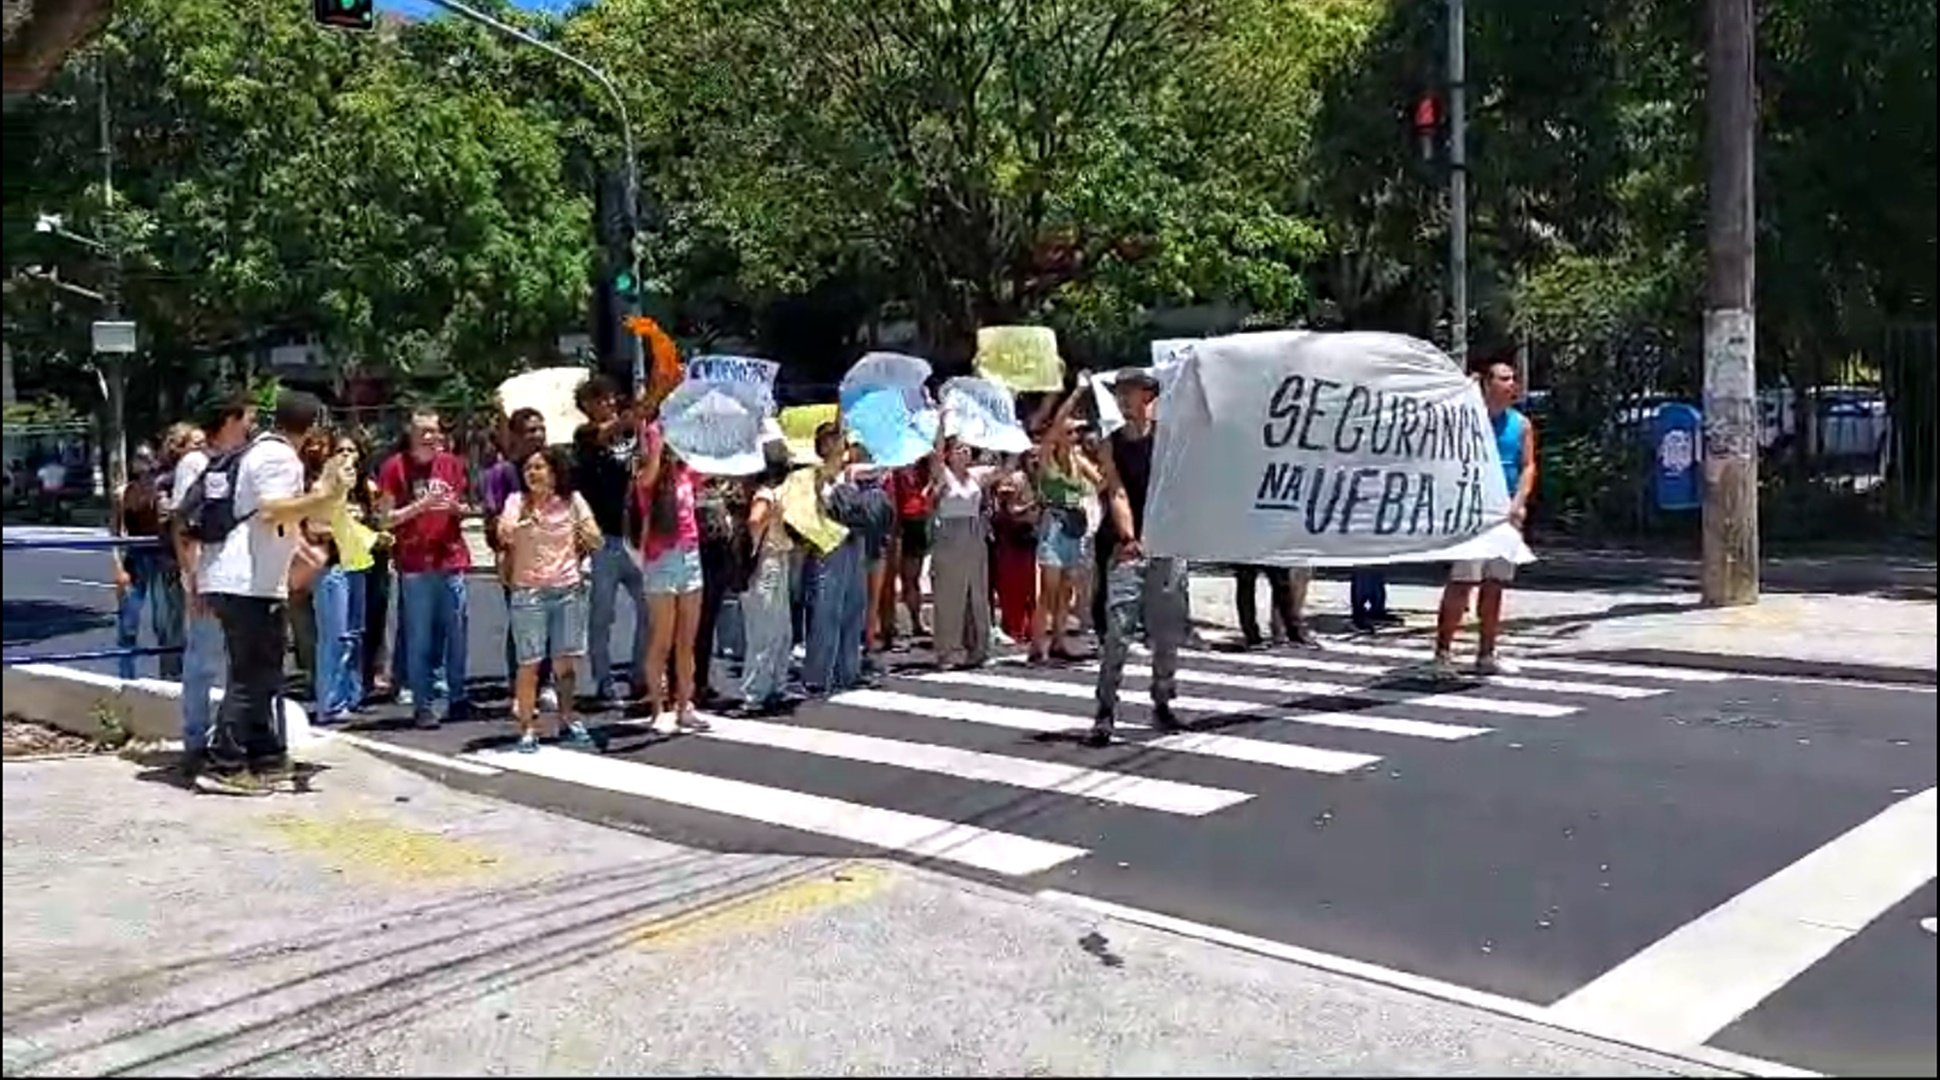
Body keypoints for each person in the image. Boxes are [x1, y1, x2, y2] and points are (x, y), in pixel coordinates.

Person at [195, 391, 351, 796]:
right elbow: (271, 510)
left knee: (264, 673)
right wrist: (322, 495)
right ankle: (224, 764)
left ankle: (263, 756)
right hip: (245, 583)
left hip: (251, 582)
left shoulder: (263, 452)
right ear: (313, 427)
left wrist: (322, 509)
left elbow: (284, 518)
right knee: (250, 676)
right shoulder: (279, 457)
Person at [1089, 369, 1187, 747]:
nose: (1124, 399)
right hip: (1127, 547)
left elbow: (1176, 491)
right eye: (1120, 393)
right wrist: (1131, 536)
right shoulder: (1111, 443)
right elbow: (1116, 492)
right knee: (1118, 632)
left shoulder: (1168, 440)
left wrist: (1162, 536)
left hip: (1166, 545)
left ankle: (1162, 701)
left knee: (1166, 633)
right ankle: (1105, 710)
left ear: (1149, 397)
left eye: (1131, 392)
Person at [1434, 357, 1539, 676]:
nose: (1511, 385)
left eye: (1512, 380)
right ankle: (1442, 655)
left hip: (1504, 514)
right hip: (1472, 512)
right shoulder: (1468, 421)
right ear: (1487, 384)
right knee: (1463, 582)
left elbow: (1527, 465)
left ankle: (1487, 654)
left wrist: (1518, 502)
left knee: (1495, 584)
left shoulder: (1520, 424)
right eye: (1504, 379)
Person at [498, 445, 600, 752]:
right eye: (528, 468)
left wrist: (587, 532)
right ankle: (528, 727)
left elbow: (594, 535)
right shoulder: (517, 501)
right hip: (529, 591)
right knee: (528, 663)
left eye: (539, 467)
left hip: (567, 589)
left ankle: (567, 717)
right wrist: (518, 525)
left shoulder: (572, 501)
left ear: (555, 473)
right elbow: (504, 532)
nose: (532, 473)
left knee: (565, 662)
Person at [172, 396, 254, 776]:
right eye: (247, 417)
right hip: (205, 577)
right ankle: (195, 742)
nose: (252, 424)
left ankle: (226, 739)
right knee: (203, 662)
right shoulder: (196, 463)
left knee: (232, 664)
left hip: (235, 577)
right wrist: (192, 582)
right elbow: (183, 527)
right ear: (230, 419)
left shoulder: (240, 459)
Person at [377, 409, 473, 729]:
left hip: (451, 558)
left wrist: (455, 508)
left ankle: (457, 697)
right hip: (415, 564)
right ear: (411, 433)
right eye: (423, 431)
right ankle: (423, 703)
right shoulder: (394, 468)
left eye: (434, 430)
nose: (430, 437)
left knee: (456, 633)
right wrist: (422, 506)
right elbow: (385, 518)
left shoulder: (452, 465)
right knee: (419, 637)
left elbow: (467, 506)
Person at [573, 376, 651, 704]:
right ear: (587, 405)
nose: (607, 404)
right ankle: (603, 681)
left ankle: (640, 674)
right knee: (602, 615)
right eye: (600, 399)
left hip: (634, 536)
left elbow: (644, 458)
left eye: (610, 398)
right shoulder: (585, 435)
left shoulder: (630, 434)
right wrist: (639, 408)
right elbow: (609, 432)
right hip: (603, 539)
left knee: (649, 608)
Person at [635, 418, 710, 732]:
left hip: (689, 555)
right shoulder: (647, 478)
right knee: (662, 638)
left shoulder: (686, 475)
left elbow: (711, 464)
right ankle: (657, 707)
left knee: (686, 640)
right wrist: (657, 439)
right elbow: (650, 471)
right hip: (661, 557)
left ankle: (684, 704)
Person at [483, 408, 554, 704]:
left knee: (550, 622)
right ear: (515, 437)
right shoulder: (502, 474)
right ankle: (521, 682)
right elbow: (492, 517)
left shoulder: (555, 470)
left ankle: (546, 682)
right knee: (523, 623)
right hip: (516, 559)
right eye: (530, 431)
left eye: (541, 429)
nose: (537, 436)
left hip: (551, 557)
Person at [1029, 391, 1101, 664]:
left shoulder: (1077, 459)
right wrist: (1078, 393)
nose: (1074, 437)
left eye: (1076, 434)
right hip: (1054, 525)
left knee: (1066, 589)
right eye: (1069, 433)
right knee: (1049, 589)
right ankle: (1039, 645)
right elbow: (1058, 422)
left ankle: (1059, 640)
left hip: (1075, 524)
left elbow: (1101, 480)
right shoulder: (1048, 456)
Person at [310, 432, 375, 724]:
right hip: (332, 568)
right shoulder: (322, 489)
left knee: (354, 636)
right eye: (340, 451)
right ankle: (329, 703)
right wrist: (344, 527)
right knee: (334, 637)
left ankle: (352, 695)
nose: (347, 457)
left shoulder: (360, 491)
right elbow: (314, 528)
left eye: (352, 451)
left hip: (357, 566)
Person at [801, 423, 870, 695]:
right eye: (835, 438)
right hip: (829, 545)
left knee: (854, 606)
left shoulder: (850, 473)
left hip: (854, 541)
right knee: (826, 610)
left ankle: (848, 671)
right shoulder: (816, 476)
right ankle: (818, 675)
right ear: (825, 445)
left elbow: (880, 468)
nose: (842, 442)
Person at [927, 427, 1001, 669]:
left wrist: (1009, 436)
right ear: (950, 454)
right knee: (949, 595)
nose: (965, 452)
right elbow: (935, 454)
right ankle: (946, 652)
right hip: (950, 535)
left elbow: (1006, 470)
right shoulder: (943, 474)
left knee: (977, 594)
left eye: (967, 448)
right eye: (959, 448)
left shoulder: (976, 475)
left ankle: (979, 649)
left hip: (974, 533)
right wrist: (941, 423)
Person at [735, 443, 797, 714]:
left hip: (778, 559)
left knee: (781, 630)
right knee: (764, 630)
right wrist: (755, 545)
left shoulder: (773, 492)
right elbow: (754, 520)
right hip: (768, 562)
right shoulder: (766, 494)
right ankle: (755, 692)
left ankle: (775, 685)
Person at [109, 448, 172, 681]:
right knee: (128, 621)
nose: (144, 464)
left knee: (164, 623)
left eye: (148, 458)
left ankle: (169, 678)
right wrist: (118, 568)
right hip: (135, 558)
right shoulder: (123, 493)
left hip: (159, 558)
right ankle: (126, 676)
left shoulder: (161, 490)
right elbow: (114, 534)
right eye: (140, 459)